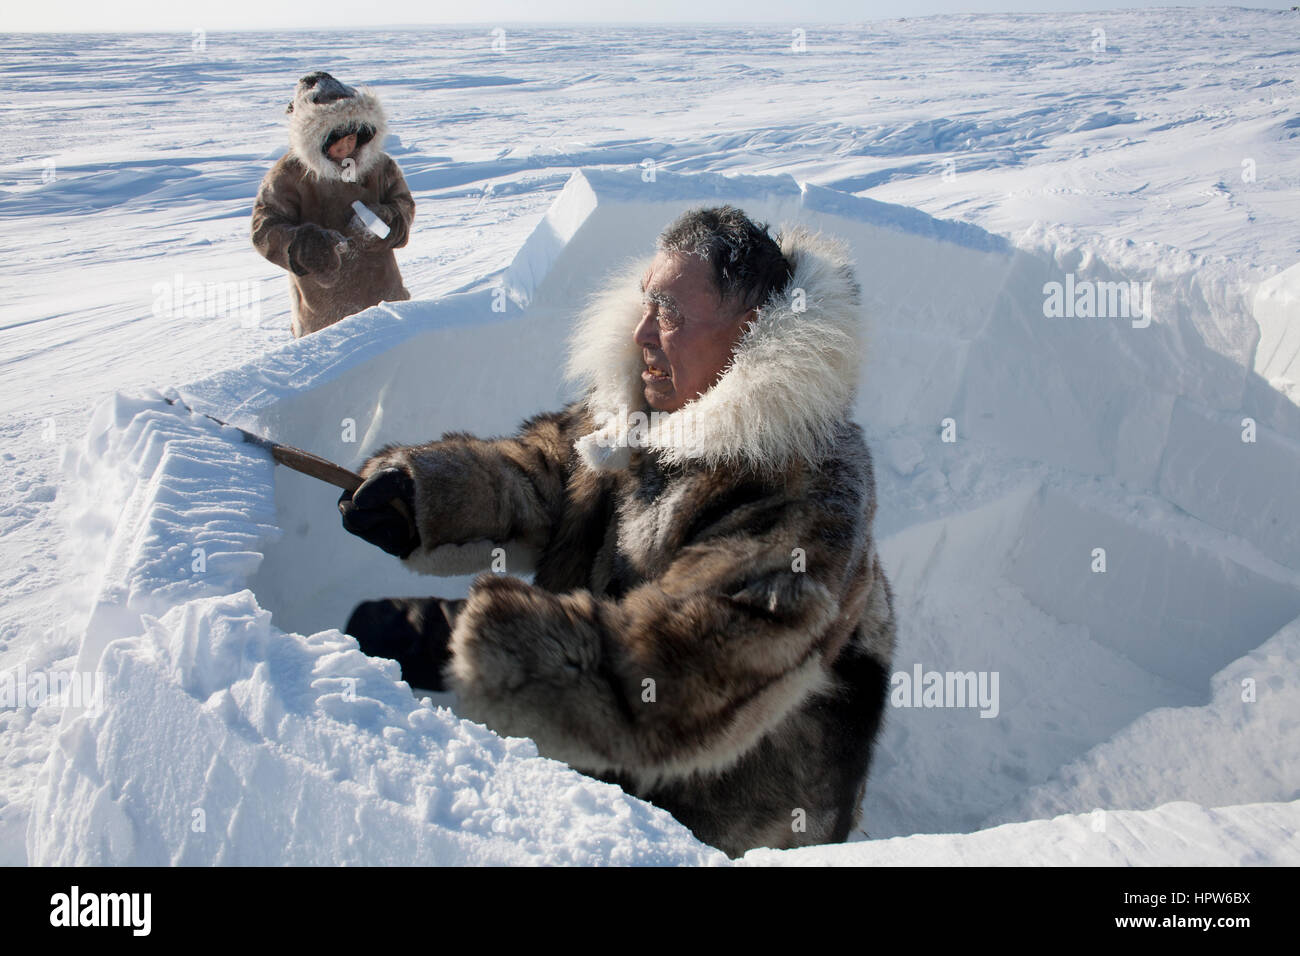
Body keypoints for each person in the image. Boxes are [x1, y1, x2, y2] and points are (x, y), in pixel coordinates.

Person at [338, 206, 896, 858]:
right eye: (645, 304)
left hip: (735, 811)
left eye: (670, 314)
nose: (641, 334)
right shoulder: (644, 407)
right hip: (608, 765)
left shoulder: (809, 484)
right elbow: (547, 472)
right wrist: (426, 495)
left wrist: (467, 642)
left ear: (750, 334)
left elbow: (695, 667)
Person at [251, 71, 415, 337]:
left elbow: (404, 206)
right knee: (343, 374)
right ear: (316, 136)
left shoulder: (380, 166)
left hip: (384, 301)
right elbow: (264, 229)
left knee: (394, 371)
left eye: (354, 135)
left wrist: (386, 221)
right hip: (323, 315)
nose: (348, 144)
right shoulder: (289, 175)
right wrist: (305, 246)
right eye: (338, 136)